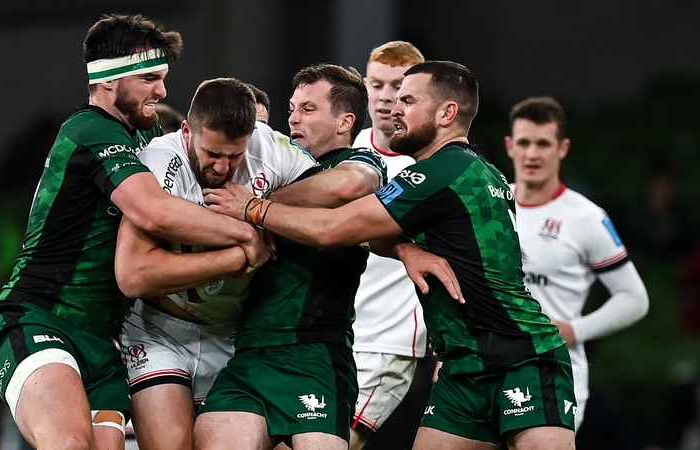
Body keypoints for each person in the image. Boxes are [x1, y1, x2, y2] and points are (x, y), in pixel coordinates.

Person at [204, 61, 578, 450]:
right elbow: (380, 231)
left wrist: (253, 208)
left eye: (408, 100)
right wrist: (405, 250)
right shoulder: (474, 171)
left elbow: (334, 229)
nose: (393, 108)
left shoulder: (441, 172)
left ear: (447, 113)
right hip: (463, 367)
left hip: (521, 356)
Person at [0, 14, 268, 450]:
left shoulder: (148, 133)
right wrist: (247, 230)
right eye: (150, 78)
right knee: (70, 442)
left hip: (104, 341)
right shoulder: (90, 129)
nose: (162, 91)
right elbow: (153, 211)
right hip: (39, 318)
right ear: (109, 79)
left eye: (163, 78)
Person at [114, 77, 317, 450]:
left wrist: (265, 209)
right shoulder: (159, 162)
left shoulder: (269, 146)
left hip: (234, 335)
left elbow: (338, 187)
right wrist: (239, 251)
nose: (222, 168)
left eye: (234, 156)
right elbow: (134, 275)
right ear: (187, 130)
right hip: (160, 331)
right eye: (212, 154)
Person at [193, 64, 388, 450]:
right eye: (293, 108)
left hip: (314, 353)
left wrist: (254, 207)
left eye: (309, 109)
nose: (294, 118)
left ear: (345, 121)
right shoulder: (275, 167)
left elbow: (347, 186)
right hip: (247, 351)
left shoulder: (360, 165)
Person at [504, 96, 649, 431]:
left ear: (563, 148)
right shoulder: (490, 207)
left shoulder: (586, 218)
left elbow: (635, 299)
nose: (532, 154)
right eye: (524, 142)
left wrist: (574, 330)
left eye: (543, 143)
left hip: (553, 373)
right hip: (488, 368)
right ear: (510, 146)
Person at [349, 40, 427, 450]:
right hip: (328, 335)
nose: (385, 97)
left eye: (398, 87)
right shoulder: (342, 152)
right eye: (377, 85)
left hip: (387, 343)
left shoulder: (430, 165)